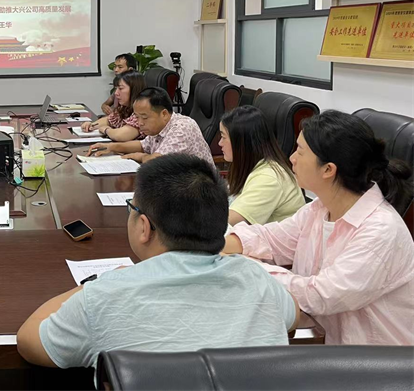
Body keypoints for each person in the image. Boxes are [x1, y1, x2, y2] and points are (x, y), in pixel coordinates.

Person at [16, 154, 299, 370]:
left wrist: (92, 286)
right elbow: (292, 314)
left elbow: (29, 340)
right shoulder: (257, 279)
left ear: (144, 227)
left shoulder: (104, 296)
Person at [222, 110, 414, 345]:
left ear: (328, 170)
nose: (291, 158)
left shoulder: (380, 230)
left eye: (300, 151)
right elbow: (272, 239)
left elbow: (321, 295)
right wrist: (218, 244)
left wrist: (245, 266)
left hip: (378, 360)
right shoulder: (319, 209)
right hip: (328, 341)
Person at [219, 106, 305, 226]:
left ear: (242, 142)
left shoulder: (269, 178)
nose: (220, 143)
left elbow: (224, 223)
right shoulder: (250, 167)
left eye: (223, 137)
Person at [88, 87, 214, 166]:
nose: (140, 123)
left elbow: (157, 161)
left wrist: (140, 157)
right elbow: (143, 145)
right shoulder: (158, 127)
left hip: (201, 191)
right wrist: (111, 147)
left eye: (144, 117)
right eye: (137, 117)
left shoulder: (182, 127)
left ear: (164, 114)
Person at [82, 71, 146, 142]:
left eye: (120, 88)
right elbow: (109, 120)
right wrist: (92, 125)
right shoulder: (124, 107)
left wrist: (106, 130)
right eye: (116, 88)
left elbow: (120, 135)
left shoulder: (142, 112)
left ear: (134, 90)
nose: (116, 93)